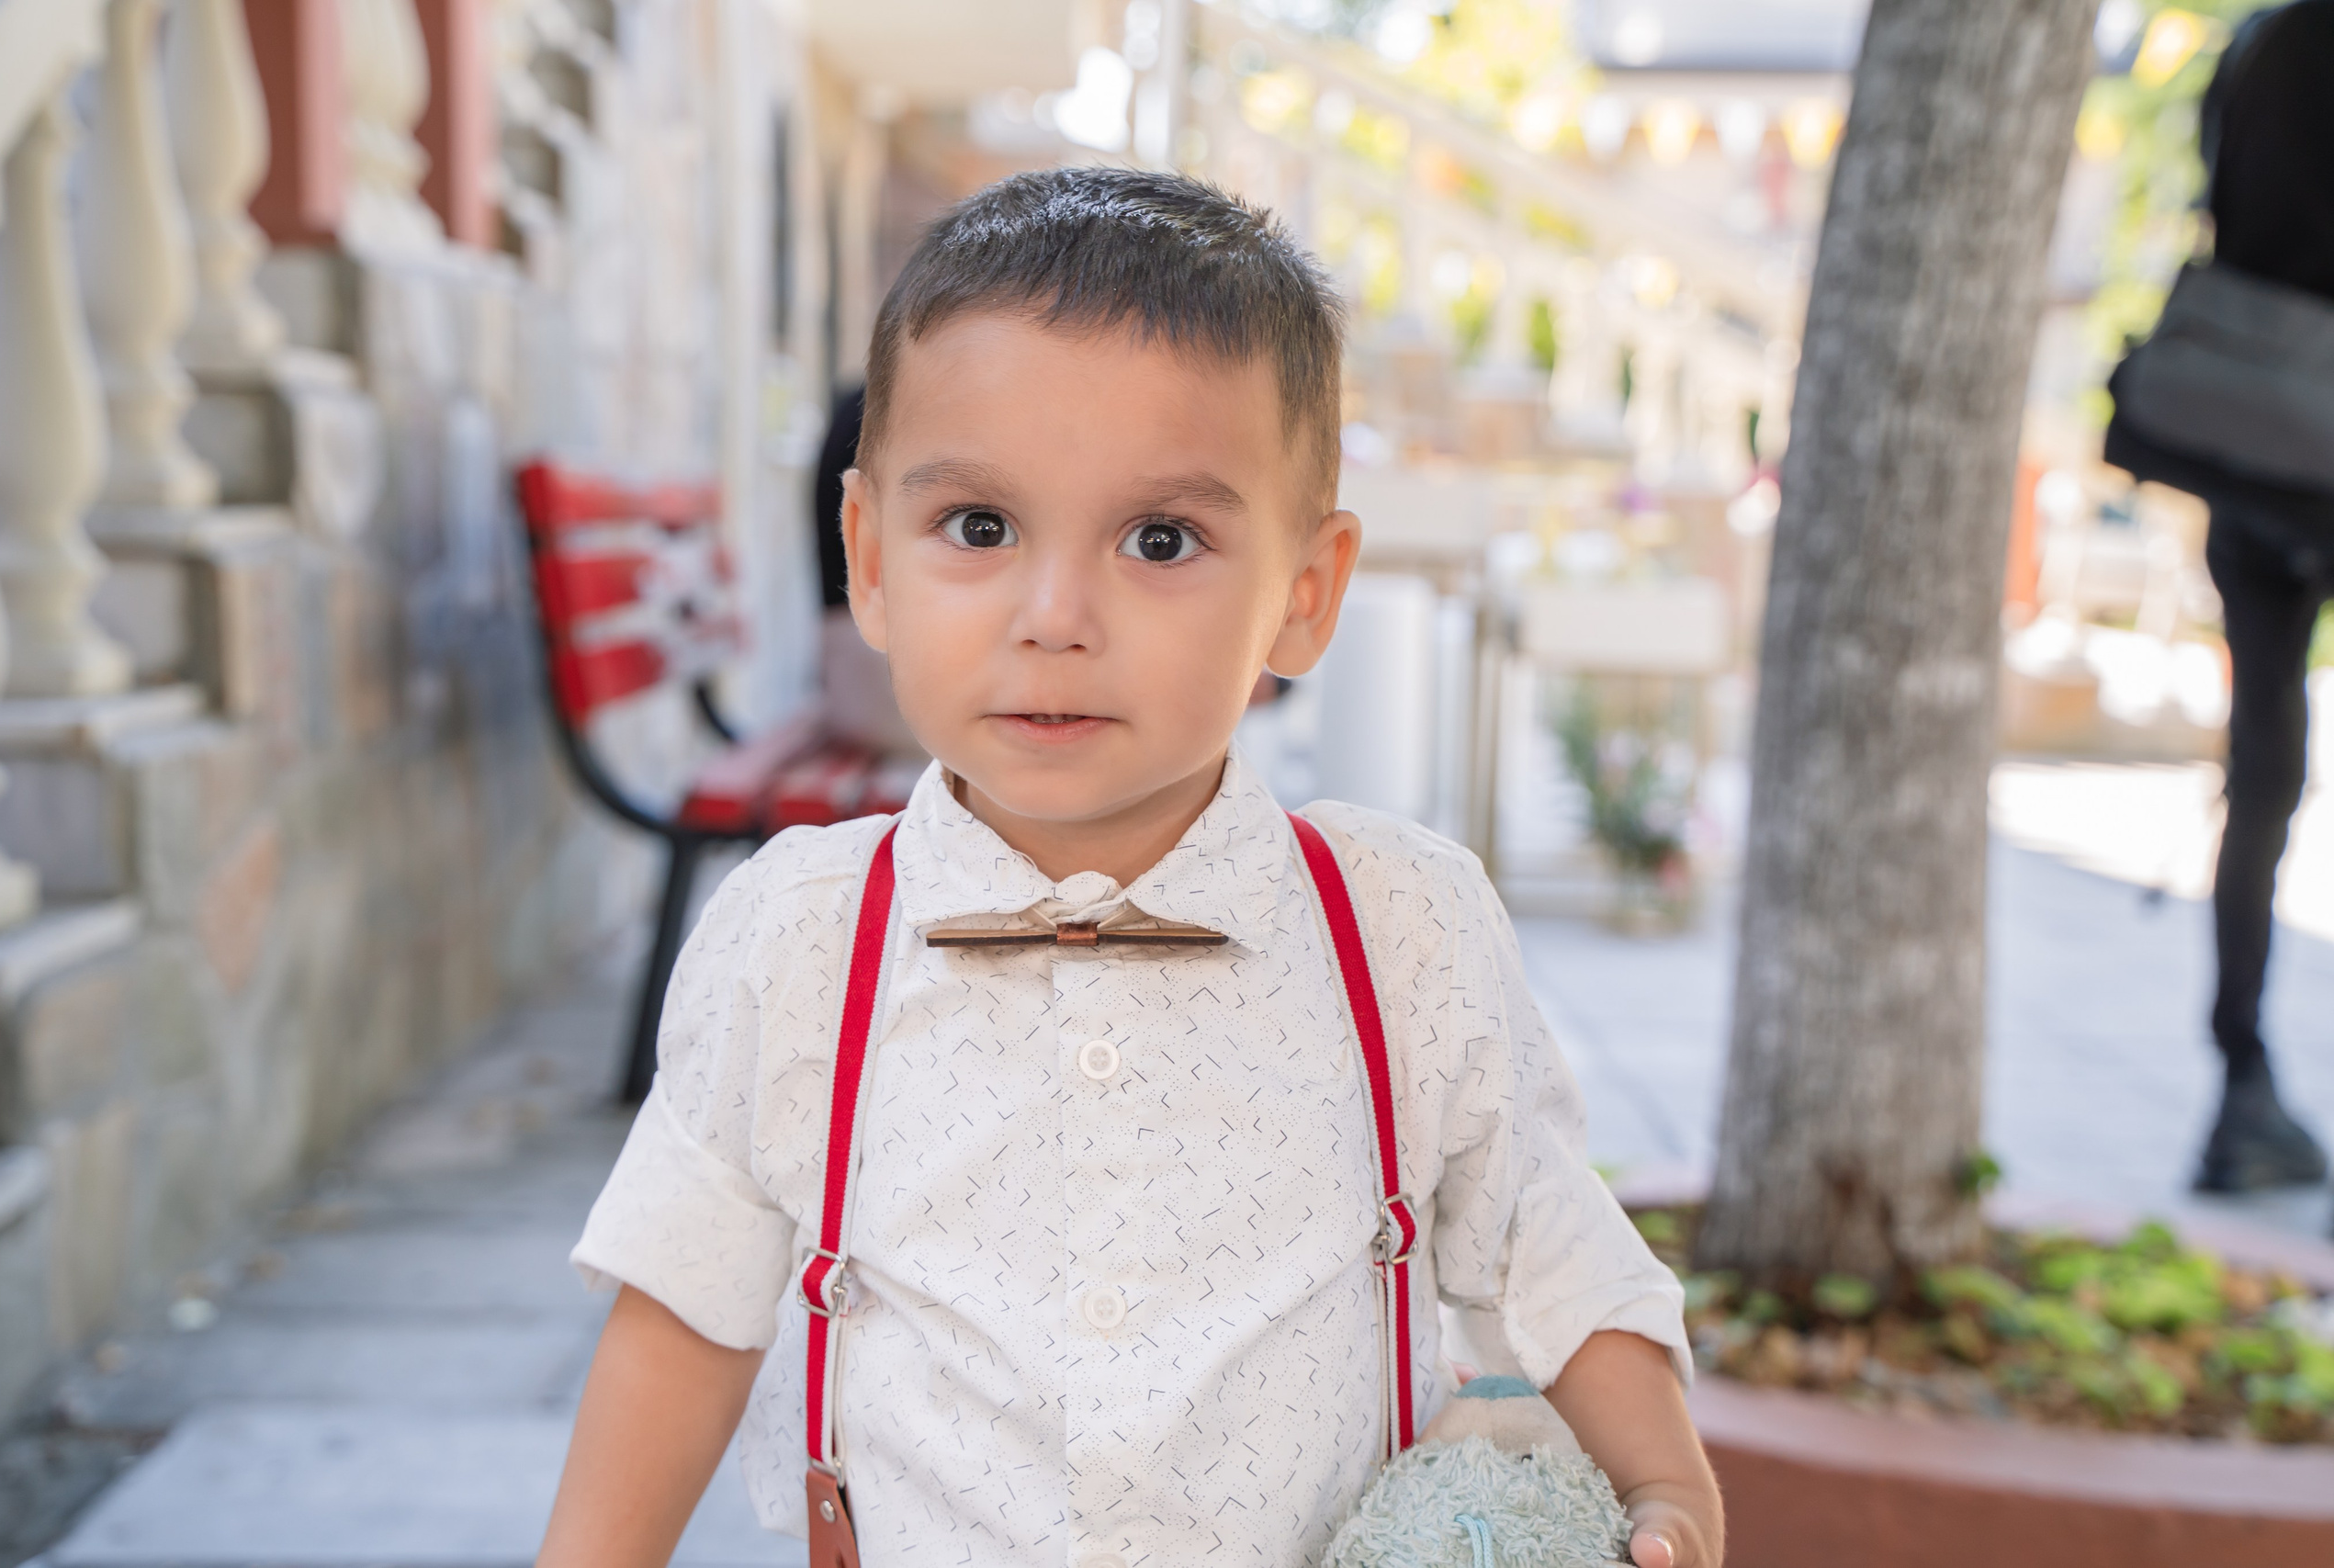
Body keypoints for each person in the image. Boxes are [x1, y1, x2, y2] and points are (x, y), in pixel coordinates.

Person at [534, 169, 1721, 1568]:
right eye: (980, 528)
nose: (1056, 617)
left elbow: (1543, 1241)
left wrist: (1669, 1484)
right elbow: (685, 1309)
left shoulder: (1400, 928)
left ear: (1304, 594)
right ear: (868, 557)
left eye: (1161, 541)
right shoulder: (799, 938)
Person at [2106, 0, 2334, 1194]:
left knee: (2263, 774)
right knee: (2265, 775)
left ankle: (2240, 1077)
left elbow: (2216, 201)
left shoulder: (2261, 44)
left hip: (2257, 442)